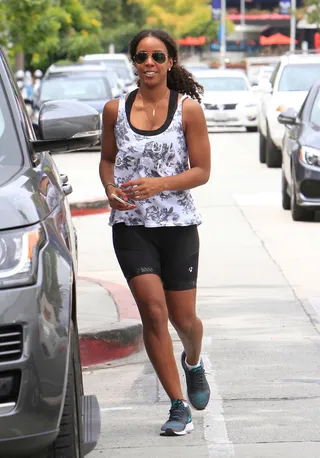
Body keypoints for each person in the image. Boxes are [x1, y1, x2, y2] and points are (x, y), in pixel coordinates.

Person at [100, 28, 211, 437]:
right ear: (133, 62)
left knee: (186, 321)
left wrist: (159, 184)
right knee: (153, 310)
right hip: (131, 226)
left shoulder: (188, 111)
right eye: (142, 56)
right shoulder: (114, 110)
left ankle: (193, 361)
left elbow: (202, 171)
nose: (149, 62)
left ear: (171, 62)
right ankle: (177, 403)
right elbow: (107, 161)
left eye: (157, 56)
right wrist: (110, 190)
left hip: (178, 225)